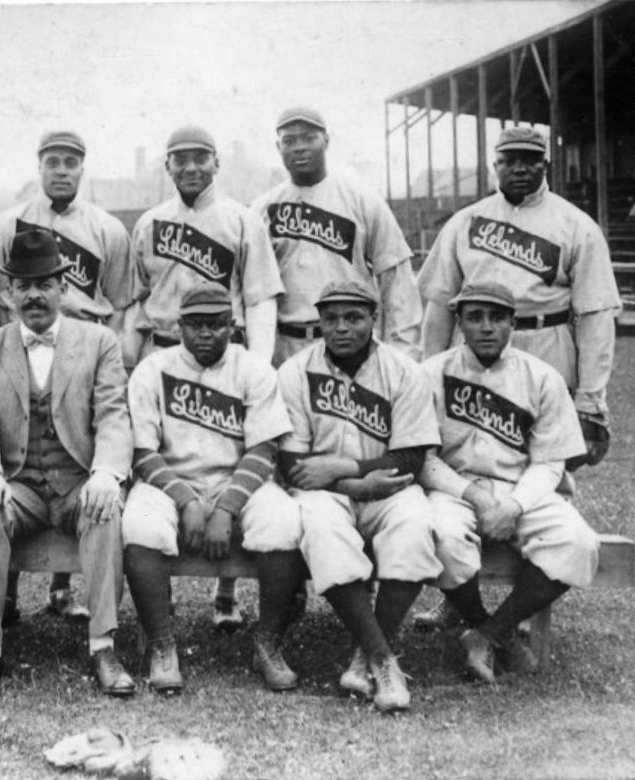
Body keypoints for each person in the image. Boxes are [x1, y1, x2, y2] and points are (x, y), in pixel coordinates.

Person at [415, 125, 619, 629]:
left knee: (538, 475)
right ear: (495, 164)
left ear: (545, 164)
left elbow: (595, 315)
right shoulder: (465, 222)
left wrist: (592, 396)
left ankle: (525, 608)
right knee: (465, 461)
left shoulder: (576, 225)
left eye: (531, 159)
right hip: (475, 343)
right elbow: (440, 303)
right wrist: (426, 370)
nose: (520, 168)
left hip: (547, 341)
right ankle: (456, 598)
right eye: (511, 160)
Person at [0, 227, 135, 698]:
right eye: (24, 286)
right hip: (21, 484)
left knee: (105, 508)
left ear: (63, 287)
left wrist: (107, 473)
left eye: (45, 285)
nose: (34, 295)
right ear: (9, 292)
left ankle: (104, 645)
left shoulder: (98, 342)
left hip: (78, 481)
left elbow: (114, 414)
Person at [128, 125, 284, 629]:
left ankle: (225, 592)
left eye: (201, 158)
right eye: (180, 159)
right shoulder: (149, 223)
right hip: (164, 352)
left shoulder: (242, 219)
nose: (191, 167)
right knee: (175, 463)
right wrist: (132, 360)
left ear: (217, 163)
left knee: (229, 456)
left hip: (224, 354)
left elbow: (259, 297)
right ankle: (162, 601)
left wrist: (256, 363)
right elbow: (137, 301)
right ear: (167, 166)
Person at [123, 285, 303, 694]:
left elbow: (263, 449)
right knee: (140, 524)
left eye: (217, 325)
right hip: (168, 480)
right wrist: (185, 499)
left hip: (236, 478)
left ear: (233, 326)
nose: (207, 334)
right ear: (180, 326)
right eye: (197, 325)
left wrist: (227, 507)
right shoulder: (153, 369)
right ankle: (161, 644)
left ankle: (268, 643)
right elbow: (140, 451)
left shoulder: (254, 369)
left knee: (284, 521)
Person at [0, 130, 135, 620]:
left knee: (78, 459)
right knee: (18, 458)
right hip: (21, 347)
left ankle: (63, 590)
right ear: (39, 165)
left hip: (85, 352)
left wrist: (108, 357)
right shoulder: (8, 224)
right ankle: (2, 600)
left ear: (82, 168)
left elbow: (116, 304)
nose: (62, 170)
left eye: (71, 161)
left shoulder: (107, 228)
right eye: (53, 161)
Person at [276, 279, 443, 713]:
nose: (341, 328)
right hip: (324, 492)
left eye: (353, 317)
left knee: (415, 526)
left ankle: (362, 656)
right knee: (323, 529)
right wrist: (350, 485)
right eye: (330, 318)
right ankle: (383, 659)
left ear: (374, 319)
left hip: (387, 486)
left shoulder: (404, 370)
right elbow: (293, 462)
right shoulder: (295, 371)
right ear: (319, 323)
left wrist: (347, 468)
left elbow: (410, 456)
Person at [419, 282, 598, 682]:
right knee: (441, 536)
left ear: (512, 323)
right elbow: (422, 460)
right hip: (455, 487)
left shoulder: (541, 377)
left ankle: (487, 634)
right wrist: (478, 500)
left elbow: (550, 462)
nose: (486, 327)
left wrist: (513, 506)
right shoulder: (430, 373)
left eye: (497, 318)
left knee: (577, 543)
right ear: (460, 322)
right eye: (475, 317)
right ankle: (494, 633)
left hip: (521, 487)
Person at [251, 106, 421, 364]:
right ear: (278, 147)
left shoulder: (362, 200)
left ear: (326, 141)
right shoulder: (262, 209)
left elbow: (396, 280)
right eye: (289, 140)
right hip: (286, 345)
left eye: (309, 138)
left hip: (352, 346)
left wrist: (402, 355)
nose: (299, 147)